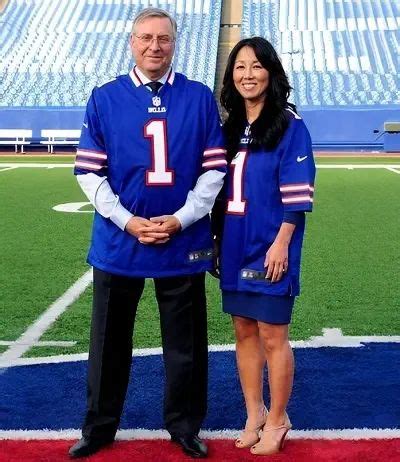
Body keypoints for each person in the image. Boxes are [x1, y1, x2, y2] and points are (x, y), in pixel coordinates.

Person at [68, 8, 227, 459]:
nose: (154, 46)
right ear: (132, 42)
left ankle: (184, 425)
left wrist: (182, 217)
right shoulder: (104, 97)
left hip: (183, 240)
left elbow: (214, 169)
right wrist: (126, 219)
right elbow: (88, 172)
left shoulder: (197, 97)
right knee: (107, 342)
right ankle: (98, 428)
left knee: (186, 344)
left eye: (163, 38)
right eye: (146, 38)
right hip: (121, 241)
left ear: (175, 43)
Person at [213, 37, 315, 456]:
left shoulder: (289, 125)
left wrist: (283, 243)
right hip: (235, 242)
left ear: (271, 73)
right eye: (240, 67)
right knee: (243, 331)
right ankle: (254, 413)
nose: (247, 75)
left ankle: (278, 418)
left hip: (271, 243)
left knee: (274, 334)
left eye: (256, 66)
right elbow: (218, 192)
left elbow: (296, 199)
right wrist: (216, 241)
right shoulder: (230, 127)